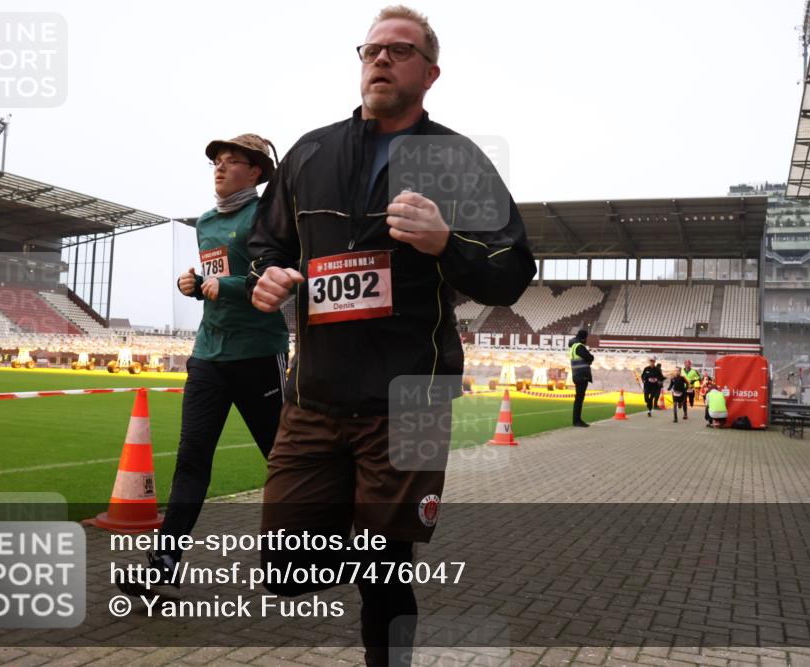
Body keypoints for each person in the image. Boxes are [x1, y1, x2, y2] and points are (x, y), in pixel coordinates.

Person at [246, 6, 536, 665]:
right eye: (371, 49)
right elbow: (266, 244)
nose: (380, 58)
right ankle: (366, 529)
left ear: (430, 73)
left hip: (412, 398)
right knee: (289, 570)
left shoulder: (457, 161)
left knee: (386, 568)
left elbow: (512, 269)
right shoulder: (310, 152)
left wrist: (445, 242)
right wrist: (266, 276)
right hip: (313, 395)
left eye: (399, 50)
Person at [117, 133, 288, 597]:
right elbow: (216, 276)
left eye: (232, 162)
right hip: (209, 356)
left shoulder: (270, 217)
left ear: (255, 172)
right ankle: (163, 564)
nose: (220, 168)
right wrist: (195, 283)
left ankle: (302, 551)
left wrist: (227, 287)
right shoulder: (207, 221)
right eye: (216, 161)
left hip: (258, 355)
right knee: (192, 458)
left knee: (284, 460)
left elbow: (271, 275)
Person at [568, 328, 594, 427]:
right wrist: (589, 359)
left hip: (576, 374)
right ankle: (577, 421)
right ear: (584, 338)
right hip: (581, 375)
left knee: (578, 399)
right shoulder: (579, 347)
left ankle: (576, 420)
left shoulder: (573, 346)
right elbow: (590, 357)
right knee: (579, 399)